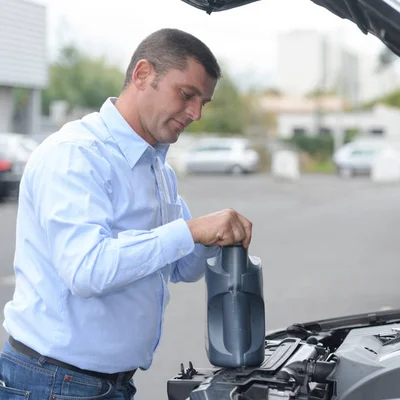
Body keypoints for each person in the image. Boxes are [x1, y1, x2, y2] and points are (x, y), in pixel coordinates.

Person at [0, 28, 252, 399]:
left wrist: (215, 236)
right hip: (53, 382)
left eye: (204, 103)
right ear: (142, 74)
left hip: (106, 383)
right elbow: (87, 269)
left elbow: (183, 267)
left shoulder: (157, 168)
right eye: (187, 95)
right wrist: (191, 230)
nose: (196, 114)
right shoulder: (76, 154)